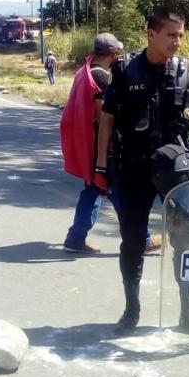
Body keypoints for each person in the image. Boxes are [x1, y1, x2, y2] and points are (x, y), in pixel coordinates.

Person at [95, 7, 189, 335]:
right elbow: (107, 118)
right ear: (151, 33)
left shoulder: (187, 71)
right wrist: (101, 164)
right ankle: (131, 308)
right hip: (133, 170)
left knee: (187, 240)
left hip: (177, 172)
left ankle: (187, 312)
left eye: (180, 35)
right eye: (170, 35)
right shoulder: (123, 70)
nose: (177, 42)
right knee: (132, 242)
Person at [61, 32, 124, 254]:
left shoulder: (85, 71)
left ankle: (75, 238)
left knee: (95, 189)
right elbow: (103, 116)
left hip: (88, 142)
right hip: (100, 146)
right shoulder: (101, 77)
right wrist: (110, 148)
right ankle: (140, 237)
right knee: (116, 190)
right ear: (113, 53)